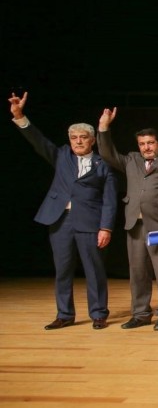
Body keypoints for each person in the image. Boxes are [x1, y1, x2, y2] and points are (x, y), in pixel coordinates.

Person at [10, 92, 118, 330]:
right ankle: (65, 314)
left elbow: (110, 200)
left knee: (94, 271)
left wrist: (106, 227)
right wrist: (19, 116)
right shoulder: (61, 156)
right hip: (60, 221)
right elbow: (38, 140)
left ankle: (98, 314)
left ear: (92, 140)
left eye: (83, 137)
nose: (78, 141)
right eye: (74, 137)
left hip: (90, 223)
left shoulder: (104, 164)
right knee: (63, 270)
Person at [98, 108, 158, 331]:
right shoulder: (132, 159)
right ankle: (141, 313)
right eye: (142, 144)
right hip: (135, 225)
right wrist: (104, 127)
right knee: (138, 272)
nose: (146, 147)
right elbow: (107, 154)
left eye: (150, 143)